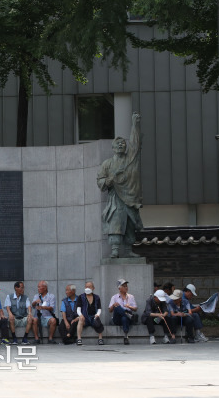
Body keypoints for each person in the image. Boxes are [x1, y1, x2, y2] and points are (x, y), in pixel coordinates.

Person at [97, 112, 143, 258]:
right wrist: (108, 180)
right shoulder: (107, 164)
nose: (121, 145)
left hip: (130, 198)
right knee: (116, 222)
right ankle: (115, 250)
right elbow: (100, 181)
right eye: (118, 143)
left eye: (123, 143)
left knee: (130, 224)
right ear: (113, 147)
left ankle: (129, 250)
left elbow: (135, 143)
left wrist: (135, 125)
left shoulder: (131, 160)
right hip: (116, 198)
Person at [108, 278, 138, 345]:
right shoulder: (114, 297)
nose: (126, 287)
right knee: (117, 307)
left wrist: (129, 306)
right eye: (124, 286)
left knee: (124, 318)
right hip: (117, 318)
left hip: (126, 318)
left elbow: (135, 309)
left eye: (126, 286)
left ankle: (125, 336)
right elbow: (110, 310)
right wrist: (113, 305)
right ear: (119, 288)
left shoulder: (131, 297)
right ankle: (128, 315)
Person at [77, 281, 105, 345]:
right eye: (86, 286)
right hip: (85, 317)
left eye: (89, 287)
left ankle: (100, 339)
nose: (87, 288)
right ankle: (79, 339)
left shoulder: (97, 297)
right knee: (80, 319)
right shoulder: (81, 297)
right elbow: (78, 309)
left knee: (98, 320)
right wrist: (80, 315)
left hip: (93, 316)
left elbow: (99, 309)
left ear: (93, 288)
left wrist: (97, 314)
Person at [31, 280, 58, 344]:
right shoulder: (36, 296)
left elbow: (52, 308)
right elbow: (32, 305)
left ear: (45, 288)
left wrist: (43, 307)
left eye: (39, 287)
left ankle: (50, 338)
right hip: (38, 317)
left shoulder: (51, 296)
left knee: (53, 320)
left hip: (47, 317)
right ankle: (36, 338)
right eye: (38, 287)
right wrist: (35, 302)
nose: (38, 289)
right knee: (34, 319)